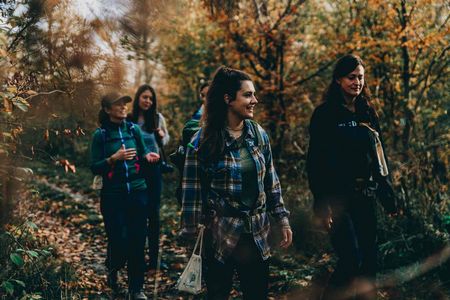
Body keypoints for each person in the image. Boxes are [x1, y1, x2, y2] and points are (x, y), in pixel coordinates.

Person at [180, 66, 293, 299]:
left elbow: (271, 181)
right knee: (218, 294)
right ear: (228, 99)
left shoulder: (258, 134)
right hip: (220, 234)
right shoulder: (201, 141)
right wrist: (191, 234)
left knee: (257, 294)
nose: (255, 100)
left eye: (254, 94)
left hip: (257, 232)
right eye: (248, 95)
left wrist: (282, 219)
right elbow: (191, 190)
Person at [306, 54, 398, 300]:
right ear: (338, 80)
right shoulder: (325, 114)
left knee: (369, 262)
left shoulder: (367, 112)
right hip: (337, 200)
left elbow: (379, 157)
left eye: (361, 77)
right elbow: (315, 163)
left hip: (365, 196)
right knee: (350, 260)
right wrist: (321, 203)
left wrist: (387, 195)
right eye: (351, 77)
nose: (357, 82)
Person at [90, 91, 159, 300]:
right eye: (117, 104)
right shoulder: (100, 135)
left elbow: (144, 151)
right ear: (107, 109)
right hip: (112, 196)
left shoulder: (133, 129)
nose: (123, 107)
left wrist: (148, 155)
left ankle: (136, 289)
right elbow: (94, 167)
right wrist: (113, 158)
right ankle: (113, 268)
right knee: (118, 240)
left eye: (124, 104)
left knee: (138, 241)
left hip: (138, 193)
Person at [128, 84, 170, 271]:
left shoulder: (157, 118)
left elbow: (165, 140)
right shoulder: (130, 120)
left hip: (154, 170)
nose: (148, 101)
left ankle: (154, 259)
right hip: (136, 170)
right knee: (138, 214)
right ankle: (137, 258)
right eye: (145, 97)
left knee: (154, 214)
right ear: (138, 98)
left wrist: (162, 134)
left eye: (151, 98)